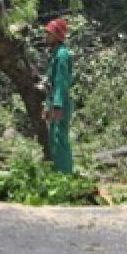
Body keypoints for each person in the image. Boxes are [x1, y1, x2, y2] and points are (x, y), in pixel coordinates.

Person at [43, 17, 73, 174]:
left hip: (61, 102)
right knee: (53, 139)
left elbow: (61, 82)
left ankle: (65, 176)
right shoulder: (55, 54)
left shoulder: (62, 55)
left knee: (59, 139)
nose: (46, 36)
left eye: (49, 33)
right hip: (54, 100)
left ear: (57, 35)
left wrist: (57, 105)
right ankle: (57, 173)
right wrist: (48, 105)